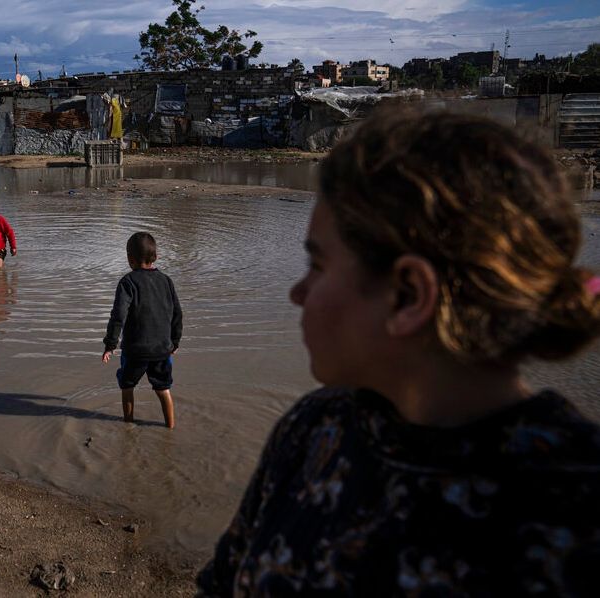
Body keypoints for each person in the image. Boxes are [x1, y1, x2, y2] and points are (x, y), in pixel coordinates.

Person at [197, 109, 600, 596]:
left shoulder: (577, 511)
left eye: (317, 264)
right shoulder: (315, 430)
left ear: (409, 296)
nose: (297, 293)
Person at [102, 232, 182, 429]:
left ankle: (128, 425)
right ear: (156, 257)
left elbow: (118, 315)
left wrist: (110, 344)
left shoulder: (128, 282)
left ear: (130, 259)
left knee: (127, 386)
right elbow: (177, 313)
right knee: (163, 389)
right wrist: (175, 342)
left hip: (135, 350)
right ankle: (170, 427)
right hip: (162, 349)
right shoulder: (166, 281)